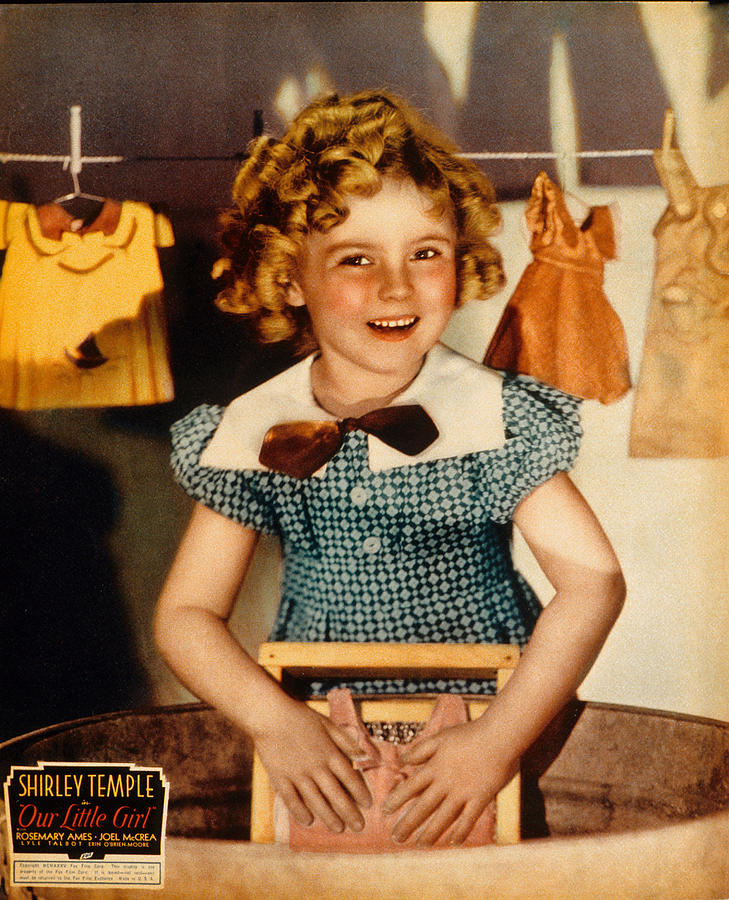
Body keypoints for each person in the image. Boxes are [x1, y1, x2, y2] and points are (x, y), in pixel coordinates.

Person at [154, 89, 625, 848]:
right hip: (325, 739)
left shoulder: (494, 417)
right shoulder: (256, 428)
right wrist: (276, 724)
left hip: (489, 725)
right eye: (356, 259)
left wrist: (497, 741)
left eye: (425, 253)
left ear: (459, 260)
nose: (396, 286)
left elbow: (593, 581)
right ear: (289, 278)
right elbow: (185, 617)